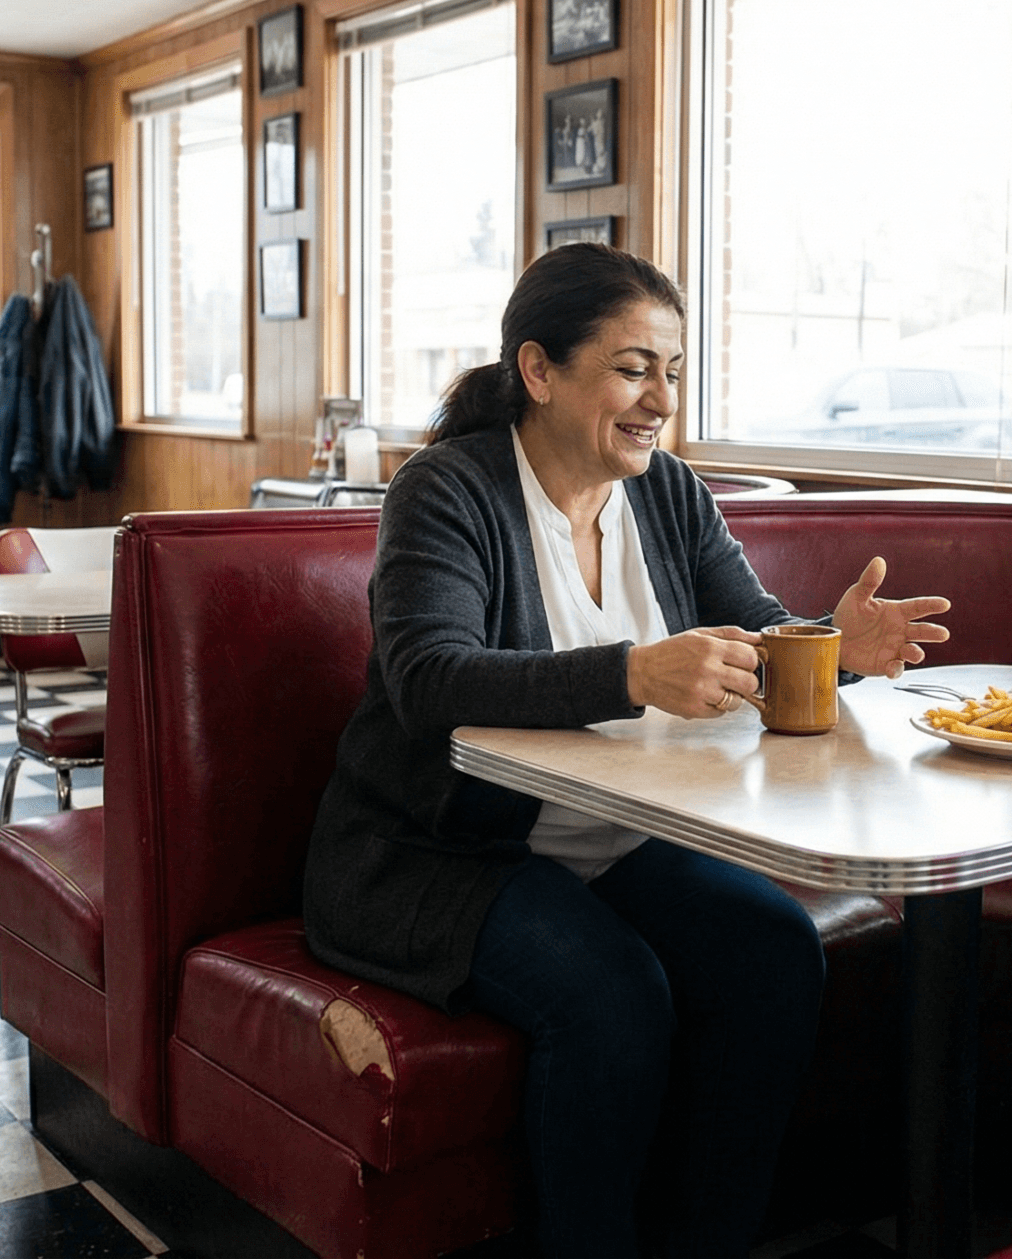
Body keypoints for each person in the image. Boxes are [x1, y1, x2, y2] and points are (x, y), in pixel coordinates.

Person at [303, 243, 950, 1256]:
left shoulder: (670, 493)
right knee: (610, 994)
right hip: (441, 855)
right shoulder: (446, 490)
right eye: (633, 367)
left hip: (614, 840)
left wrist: (833, 645)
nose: (660, 400)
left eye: (674, 373)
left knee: (774, 955)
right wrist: (632, 674)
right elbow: (429, 678)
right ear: (538, 370)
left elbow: (757, 634)